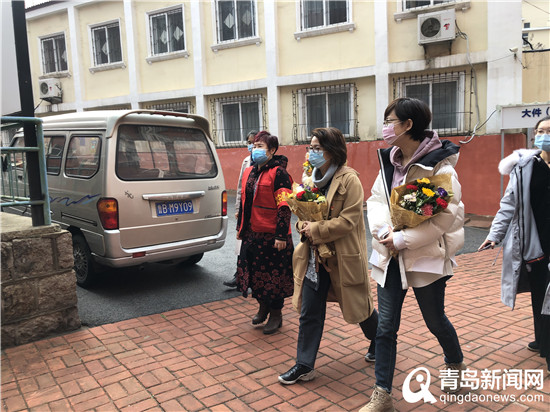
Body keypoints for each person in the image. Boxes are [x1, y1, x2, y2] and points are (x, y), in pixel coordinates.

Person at [363, 98, 465, 411]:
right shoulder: (388, 162)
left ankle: (454, 364)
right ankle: (382, 394)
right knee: (385, 328)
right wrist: (383, 231)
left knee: (435, 321)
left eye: (389, 121)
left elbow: (444, 219)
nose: (385, 128)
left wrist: (404, 239)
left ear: (408, 125)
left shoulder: (440, 167)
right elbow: (376, 200)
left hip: (425, 257)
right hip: (389, 257)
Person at [278, 127, 378, 385]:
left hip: (342, 256)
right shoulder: (311, 179)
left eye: (317, 148)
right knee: (309, 310)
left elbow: (348, 221)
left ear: (332, 151)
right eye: (310, 148)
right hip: (314, 258)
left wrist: (316, 229)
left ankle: (379, 340)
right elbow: (302, 213)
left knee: (359, 306)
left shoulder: (349, 180)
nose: (311, 152)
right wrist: (302, 226)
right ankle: (304, 365)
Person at [478, 115, 550, 374]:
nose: (544, 136)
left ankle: (547, 346)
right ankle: (542, 339)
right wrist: (494, 234)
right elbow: (509, 203)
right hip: (535, 243)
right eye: (540, 131)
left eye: (549, 131)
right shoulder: (524, 166)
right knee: (540, 293)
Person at [235, 131, 294, 334]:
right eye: (254, 145)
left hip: (273, 236)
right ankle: (263, 307)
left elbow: (284, 206)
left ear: (272, 150)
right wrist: (240, 228)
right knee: (255, 275)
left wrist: (281, 235)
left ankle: (276, 314)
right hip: (252, 234)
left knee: (273, 277)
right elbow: (245, 202)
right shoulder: (250, 171)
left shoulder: (279, 173)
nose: (255, 149)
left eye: (260, 146)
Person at [223, 130, 257, 288]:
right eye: (249, 143)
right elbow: (240, 187)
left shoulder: (270, 164)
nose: (251, 146)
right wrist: (238, 208)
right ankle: (239, 276)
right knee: (241, 244)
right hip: (245, 210)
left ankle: (253, 278)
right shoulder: (246, 161)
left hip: (258, 211)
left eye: (255, 143)